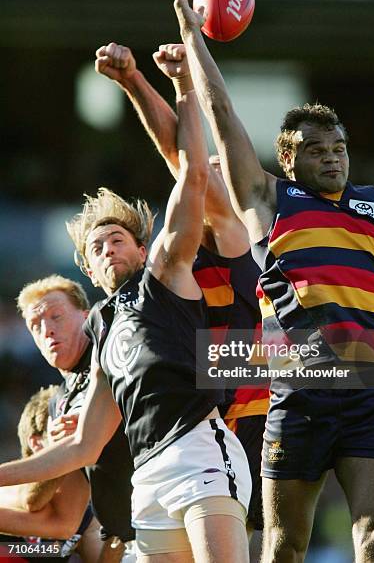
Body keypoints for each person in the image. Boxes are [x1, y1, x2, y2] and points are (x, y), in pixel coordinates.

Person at [172, 0, 374, 563]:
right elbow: (223, 123)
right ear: (289, 161)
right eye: (317, 151)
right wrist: (195, 40)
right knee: (284, 543)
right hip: (299, 385)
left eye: (340, 148)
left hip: (373, 386)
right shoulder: (267, 200)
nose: (333, 159)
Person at [0, 59, 251, 563]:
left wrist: (179, 84)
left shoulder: (164, 273)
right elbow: (81, 450)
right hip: (148, 479)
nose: (108, 249)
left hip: (201, 451)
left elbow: (195, 175)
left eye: (118, 239)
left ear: (141, 249)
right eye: (97, 247)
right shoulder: (100, 329)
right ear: (89, 273)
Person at [94, 41, 268, 559]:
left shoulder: (236, 234)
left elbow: (186, 162)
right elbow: (184, 161)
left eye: (223, 170)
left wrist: (144, 83)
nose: (213, 171)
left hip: (248, 414)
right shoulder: (168, 271)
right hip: (200, 415)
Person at [16, 274, 135, 562]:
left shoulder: (113, 350)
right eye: (35, 325)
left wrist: (98, 420)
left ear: (86, 316)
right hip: (127, 535)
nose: (47, 330)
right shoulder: (58, 403)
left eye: (56, 317)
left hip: (180, 494)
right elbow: (68, 517)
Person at [0, 385, 101, 562]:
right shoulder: (8, 488)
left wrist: (119, 533)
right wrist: (65, 452)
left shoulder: (88, 510)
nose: (75, 438)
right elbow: (30, 500)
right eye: (63, 428)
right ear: (36, 443)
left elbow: (103, 557)